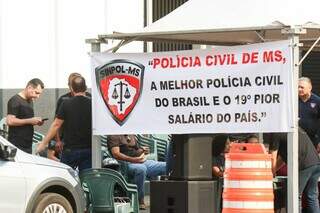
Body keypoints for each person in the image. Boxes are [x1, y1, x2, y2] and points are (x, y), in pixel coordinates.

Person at [37, 76, 92, 172]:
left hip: (70, 150)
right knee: (87, 179)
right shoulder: (92, 103)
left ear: (72, 88)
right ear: (85, 87)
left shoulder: (66, 103)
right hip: (88, 149)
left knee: (65, 177)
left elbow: (56, 125)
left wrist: (43, 144)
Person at [107, 134, 166, 210]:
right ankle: (139, 199)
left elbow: (136, 149)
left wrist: (143, 150)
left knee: (166, 166)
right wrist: (134, 160)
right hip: (126, 164)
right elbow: (116, 154)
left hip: (141, 161)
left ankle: (161, 198)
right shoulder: (114, 135)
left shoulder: (130, 134)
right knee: (141, 169)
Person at [269, 128, 320, 213]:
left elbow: (272, 157)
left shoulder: (276, 132)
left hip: (303, 165)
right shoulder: (293, 127)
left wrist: (271, 173)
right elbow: (282, 159)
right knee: (312, 196)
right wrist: (274, 171)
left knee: (293, 195)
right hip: (316, 163)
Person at [53, 72, 91, 154]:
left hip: (87, 144)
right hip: (67, 144)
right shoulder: (63, 99)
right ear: (69, 85)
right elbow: (56, 123)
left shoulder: (90, 98)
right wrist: (58, 140)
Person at [6, 78, 45, 153]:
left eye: (39, 94)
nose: (38, 96)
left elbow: (26, 120)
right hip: (16, 145)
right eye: (36, 93)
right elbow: (10, 121)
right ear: (29, 87)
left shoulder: (30, 100)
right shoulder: (15, 100)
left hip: (27, 144)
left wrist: (36, 122)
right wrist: (30, 120)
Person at [298, 77, 320, 152]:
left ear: (310, 88)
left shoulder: (317, 101)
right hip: (297, 137)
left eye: (302, 87)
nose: (299, 89)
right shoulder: (293, 101)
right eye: (298, 87)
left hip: (313, 139)